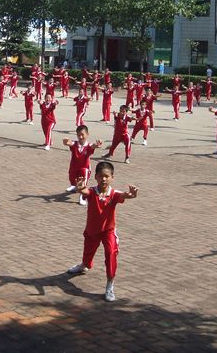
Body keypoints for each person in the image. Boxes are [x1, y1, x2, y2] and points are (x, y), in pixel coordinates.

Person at [67, 161, 139, 302]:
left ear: (112, 177)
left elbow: (123, 195)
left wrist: (131, 195)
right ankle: (84, 265)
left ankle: (109, 285)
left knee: (111, 253)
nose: (103, 179)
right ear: (96, 177)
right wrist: (79, 188)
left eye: (107, 176)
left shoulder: (114, 194)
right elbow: (85, 191)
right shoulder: (92, 191)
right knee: (87, 261)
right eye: (100, 176)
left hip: (108, 231)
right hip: (92, 231)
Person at [63, 125, 103, 206]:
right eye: (78, 135)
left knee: (83, 183)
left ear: (87, 134)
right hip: (74, 167)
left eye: (82, 134)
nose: (80, 137)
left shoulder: (89, 146)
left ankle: (82, 197)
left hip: (85, 168)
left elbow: (93, 146)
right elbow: (70, 143)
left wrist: (97, 145)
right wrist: (66, 142)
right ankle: (74, 186)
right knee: (72, 179)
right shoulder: (75, 144)